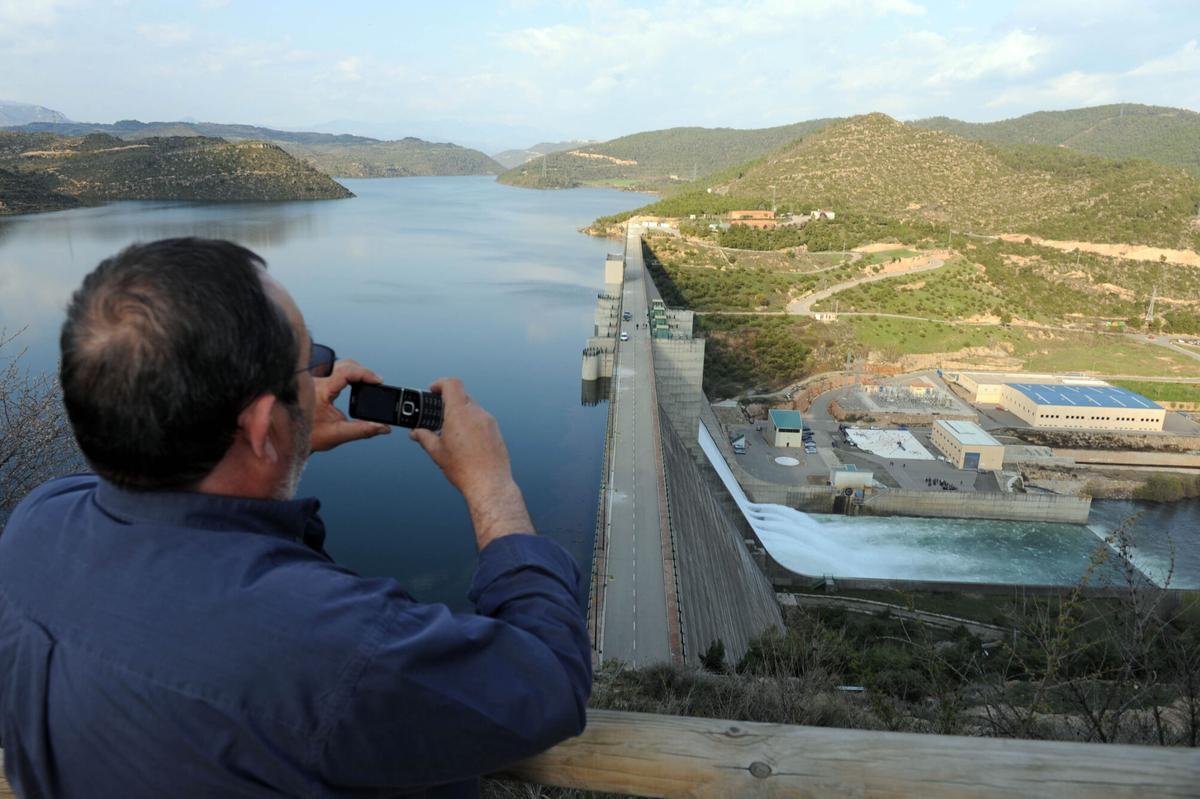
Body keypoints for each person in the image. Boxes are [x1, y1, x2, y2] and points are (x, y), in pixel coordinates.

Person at [0, 238, 590, 798]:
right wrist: (493, 486)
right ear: (258, 424)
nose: (319, 380)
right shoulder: (339, 650)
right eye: (310, 364)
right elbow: (547, 682)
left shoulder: (36, 527)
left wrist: (289, 435)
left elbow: (157, 472)